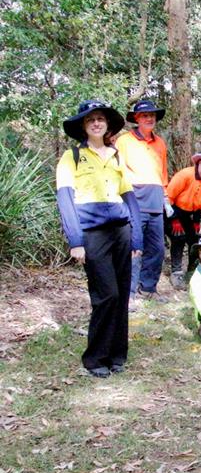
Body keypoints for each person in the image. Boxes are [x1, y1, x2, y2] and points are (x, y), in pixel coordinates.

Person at [56, 100, 143, 378]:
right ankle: (95, 358)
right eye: (90, 119)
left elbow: (129, 198)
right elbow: (66, 200)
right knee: (106, 295)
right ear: (83, 125)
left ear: (107, 125)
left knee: (122, 295)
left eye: (100, 119)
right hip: (92, 234)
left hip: (121, 232)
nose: (96, 123)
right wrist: (75, 240)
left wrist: (136, 239)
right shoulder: (72, 157)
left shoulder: (116, 155)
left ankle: (117, 355)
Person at [117, 99, 170, 304]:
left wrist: (165, 196)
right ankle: (128, 293)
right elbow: (117, 169)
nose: (149, 119)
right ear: (136, 119)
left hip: (156, 199)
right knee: (133, 247)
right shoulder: (124, 141)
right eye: (145, 115)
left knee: (157, 248)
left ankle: (148, 288)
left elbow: (163, 172)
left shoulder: (160, 143)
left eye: (152, 115)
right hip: (134, 198)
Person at [165, 151, 201, 289]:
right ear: (199, 162)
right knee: (178, 237)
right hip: (170, 210)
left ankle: (193, 271)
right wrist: (174, 220)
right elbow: (167, 199)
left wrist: (196, 222)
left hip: (189, 213)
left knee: (195, 240)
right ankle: (176, 272)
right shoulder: (185, 175)